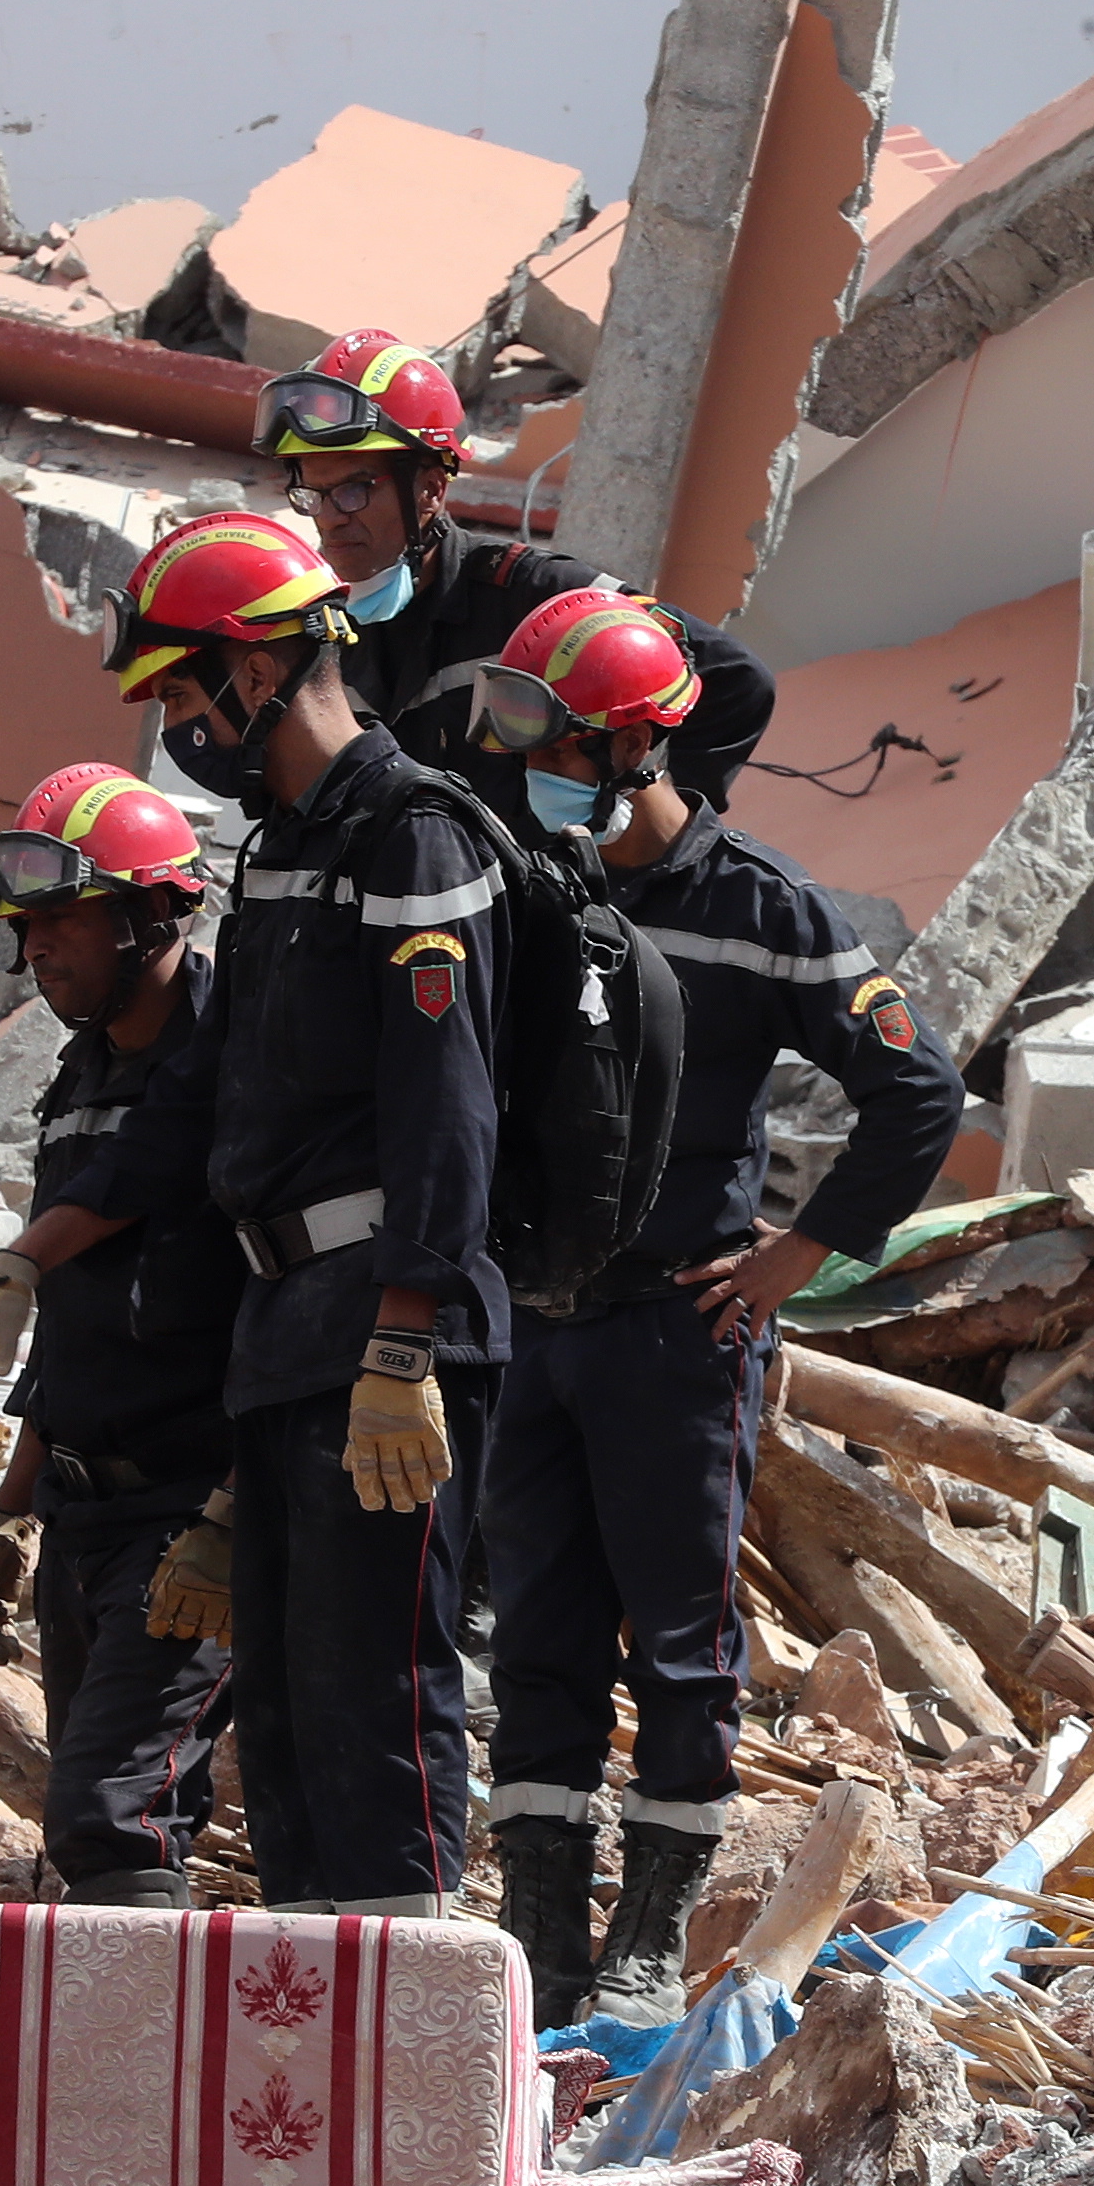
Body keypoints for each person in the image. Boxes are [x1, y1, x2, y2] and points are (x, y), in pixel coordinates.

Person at [465, 594, 964, 2029]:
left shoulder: (762, 907)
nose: (528, 769)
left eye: (554, 742)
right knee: (541, 1629)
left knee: (679, 1637)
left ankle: (651, 1927)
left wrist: (796, 1258)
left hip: (676, 1338)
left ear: (631, 748)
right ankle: (545, 1924)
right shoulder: (525, 885)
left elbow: (916, 1090)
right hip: (535, 1325)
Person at [97, 508, 510, 1917]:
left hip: (382, 1326)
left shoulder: (414, 838)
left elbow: (445, 1112)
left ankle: (413, 2065)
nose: (172, 723)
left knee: (378, 1711)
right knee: (280, 1722)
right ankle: (319, 2075)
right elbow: (224, 1124)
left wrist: (405, 1347)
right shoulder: (278, 850)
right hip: (286, 1331)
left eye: (177, 687)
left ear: (257, 671)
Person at [0, 763, 236, 1908]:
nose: (38, 950)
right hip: (88, 1511)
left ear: (151, 910)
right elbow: (77, 1322)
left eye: (61, 920)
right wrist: (11, 1508)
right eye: (26, 928)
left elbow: (295, 1309)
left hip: (192, 1512)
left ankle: (136, 2067)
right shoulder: (84, 1071)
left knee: (113, 1814)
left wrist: (236, 1511)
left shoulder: (234, 1061)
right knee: (103, 1821)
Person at [259, 327, 781, 846]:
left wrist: (642, 841)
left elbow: (736, 683)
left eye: (353, 489)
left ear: (430, 490)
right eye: (313, 494)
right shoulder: (326, 631)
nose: (330, 519)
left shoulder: (537, 596)